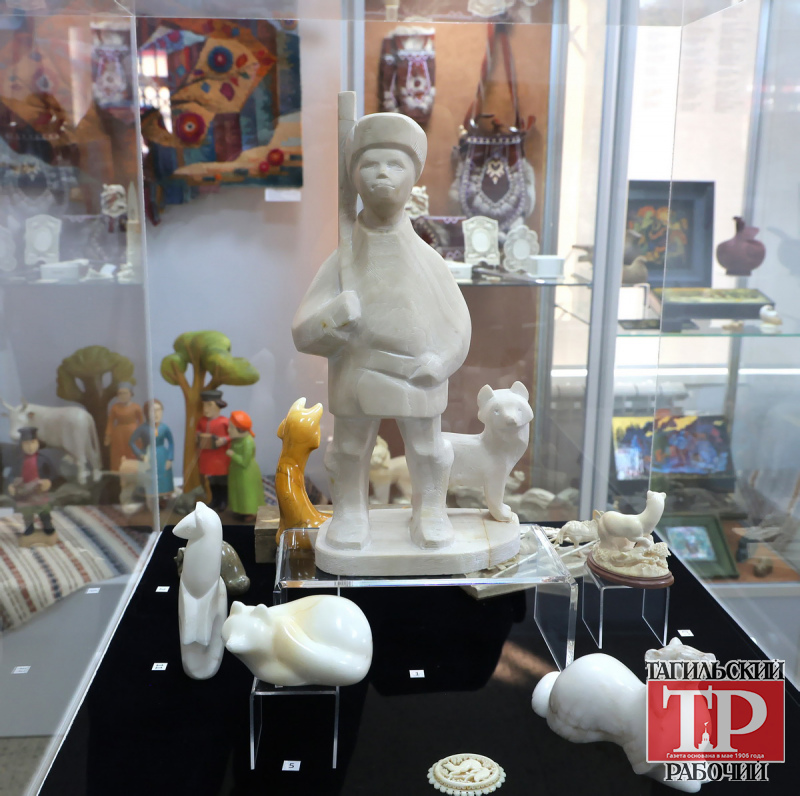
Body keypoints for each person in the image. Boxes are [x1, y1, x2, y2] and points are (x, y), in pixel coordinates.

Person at [292, 111, 471, 550]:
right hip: (357, 371)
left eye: (395, 164)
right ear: (354, 177)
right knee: (350, 449)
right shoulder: (342, 260)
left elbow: (459, 324)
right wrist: (334, 316)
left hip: (418, 373)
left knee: (426, 449)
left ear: (413, 178)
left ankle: (429, 511)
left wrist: (441, 362)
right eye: (370, 164)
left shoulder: (428, 260)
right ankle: (351, 512)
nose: (382, 174)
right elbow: (303, 330)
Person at [8, 427, 55, 537]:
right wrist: (11, 485)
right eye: (26, 444)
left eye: (32, 442)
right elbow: (12, 474)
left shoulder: (43, 460)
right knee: (27, 512)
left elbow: (52, 474)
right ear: (21, 445)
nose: (30, 447)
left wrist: (48, 482)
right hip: (24, 491)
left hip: (39, 490)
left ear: (37, 443)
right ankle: (29, 527)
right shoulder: (19, 461)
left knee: (44, 510)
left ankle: (47, 525)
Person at [128, 399, 174, 507]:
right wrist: (140, 455)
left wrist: (170, 458)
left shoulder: (164, 428)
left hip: (162, 455)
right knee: (149, 478)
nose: (156, 413)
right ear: (146, 413)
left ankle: (162, 499)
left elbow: (171, 442)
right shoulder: (142, 428)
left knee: (163, 478)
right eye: (153, 411)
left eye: (159, 410)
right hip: (148, 456)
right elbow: (132, 442)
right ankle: (149, 499)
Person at [226, 410, 265, 522]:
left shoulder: (248, 442)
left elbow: (244, 462)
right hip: (236, 471)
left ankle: (252, 512)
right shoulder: (236, 440)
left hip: (246, 473)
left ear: (240, 429)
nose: (228, 430)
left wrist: (232, 454)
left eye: (231, 428)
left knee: (247, 492)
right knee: (238, 492)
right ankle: (240, 510)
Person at [195, 389, 230, 512]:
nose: (206, 409)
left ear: (218, 406)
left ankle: (223, 501)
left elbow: (232, 435)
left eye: (209, 405)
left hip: (221, 458)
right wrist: (198, 435)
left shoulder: (225, 421)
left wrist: (224, 439)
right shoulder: (202, 421)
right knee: (211, 480)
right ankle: (214, 499)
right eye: (204, 405)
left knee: (222, 481)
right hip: (207, 456)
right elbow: (197, 431)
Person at [105, 382, 144, 472]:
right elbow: (110, 422)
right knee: (119, 453)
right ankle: (118, 473)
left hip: (133, 433)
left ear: (131, 394)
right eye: (120, 393)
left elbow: (141, 422)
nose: (123, 396)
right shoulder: (115, 408)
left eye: (125, 393)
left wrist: (141, 435)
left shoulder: (136, 407)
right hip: (119, 435)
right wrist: (108, 435)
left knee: (132, 452)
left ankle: (133, 472)